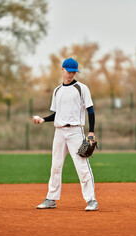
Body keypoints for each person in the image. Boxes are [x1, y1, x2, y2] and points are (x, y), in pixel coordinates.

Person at [32, 58, 98, 211]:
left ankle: (91, 200)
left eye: (74, 72)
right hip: (60, 132)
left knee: (82, 166)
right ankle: (51, 199)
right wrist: (43, 119)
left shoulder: (82, 88)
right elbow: (57, 114)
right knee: (55, 165)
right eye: (69, 71)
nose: (71, 74)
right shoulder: (57, 91)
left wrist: (91, 132)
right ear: (62, 69)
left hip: (76, 132)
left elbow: (91, 110)